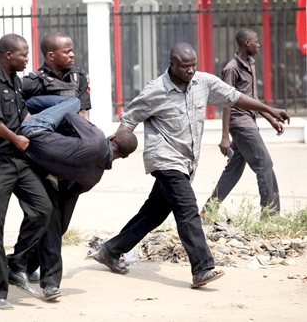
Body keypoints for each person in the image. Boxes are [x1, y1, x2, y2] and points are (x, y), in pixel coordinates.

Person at [93, 42, 290, 288]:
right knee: (187, 210)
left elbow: (235, 97)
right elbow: (130, 116)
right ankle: (202, 267)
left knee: (154, 212)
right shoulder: (156, 90)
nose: (190, 70)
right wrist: (117, 149)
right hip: (165, 158)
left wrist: (268, 111)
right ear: (172, 65)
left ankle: (110, 250)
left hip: (187, 161)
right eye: (185, 66)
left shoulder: (204, 82)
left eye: (193, 65)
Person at [0, 33, 52, 310]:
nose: (28, 59)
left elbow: (21, 115)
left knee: (42, 209)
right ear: (8, 55)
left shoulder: (14, 80)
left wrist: (40, 128)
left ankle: (16, 264)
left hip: (17, 158)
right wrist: (16, 138)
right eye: (23, 54)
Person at [20, 32, 93, 300]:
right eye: (67, 51)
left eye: (73, 50)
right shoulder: (32, 82)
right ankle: (51, 282)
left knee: (60, 223)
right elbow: (20, 109)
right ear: (51, 55)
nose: (72, 55)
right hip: (45, 160)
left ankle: (22, 265)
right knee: (49, 220)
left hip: (72, 158)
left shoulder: (79, 78)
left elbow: (83, 115)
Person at [201, 28, 283, 218]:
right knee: (264, 164)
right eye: (256, 41)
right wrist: (224, 137)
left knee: (233, 170)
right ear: (247, 43)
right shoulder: (231, 68)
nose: (259, 44)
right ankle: (271, 215)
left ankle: (208, 210)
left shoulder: (250, 64)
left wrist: (271, 119)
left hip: (249, 121)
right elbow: (227, 101)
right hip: (240, 124)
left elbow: (252, 98)